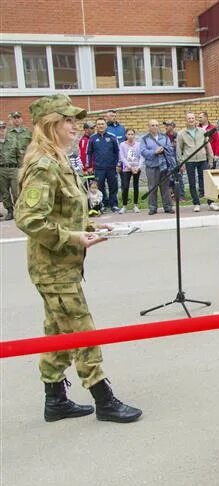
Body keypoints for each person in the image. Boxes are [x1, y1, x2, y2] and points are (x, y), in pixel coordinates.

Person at [15, 94, 141, 423]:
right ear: (50, 125)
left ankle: (55, 399)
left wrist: (92, 227)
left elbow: (63, 212)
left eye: (75, 121)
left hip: (63, 266)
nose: (75, 126)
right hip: (53, 269)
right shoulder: (43, 165)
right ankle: (104, 398)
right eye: (68, 121)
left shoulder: (58, 161)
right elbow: (29, 219)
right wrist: (73, 238)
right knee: (82, 330)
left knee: (59, 331)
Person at [176, 112, 214, 213]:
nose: (191, 120)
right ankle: (196, 203)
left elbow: (208, 145)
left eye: (192, 118)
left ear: (195, 119)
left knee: (206, 182)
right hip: (190, 161)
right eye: (189, 118)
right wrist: (181, 163)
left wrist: (210, 159)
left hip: (202, 159)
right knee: (192, 183)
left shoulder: (202, 131)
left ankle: (211, 203)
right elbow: (179, 149)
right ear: (186, 120)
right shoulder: (181, 133)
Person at [140, 119, 176, 215]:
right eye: (152, 125)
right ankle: (152, 208)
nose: (155, 127)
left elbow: (170, 148)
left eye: (156, 125)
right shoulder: (144, 139)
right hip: (152, 167)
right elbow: (143, 151)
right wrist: (154, 152)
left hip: (164, 166)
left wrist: (164, 149)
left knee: (165, 188)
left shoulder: (164, 137)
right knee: (152, 188)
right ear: (149, 127)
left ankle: (168, 207)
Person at [86, 117, 120, 212]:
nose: (100, 126)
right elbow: (88, 153)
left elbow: (118, 152)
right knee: (100, 187)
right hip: (98, 168)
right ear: (96, 126)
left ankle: (114, 205)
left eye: (102, 124)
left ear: (106, 125)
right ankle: (102, 205)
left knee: (113, 187)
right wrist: (89, 166)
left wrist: (118, 164)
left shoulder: (112, 137)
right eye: (98, 124)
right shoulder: (92, 138)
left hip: (112, 167)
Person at [118, 128, 143, 214]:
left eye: (132, 134)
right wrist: (129, 167)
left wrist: (138, 167)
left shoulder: (138, 144)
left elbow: (141, 156)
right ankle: (124, 206)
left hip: (136, 168)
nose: (130, 136)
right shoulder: (122, 145)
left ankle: (135, 205)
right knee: (125, 187)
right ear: (126, 135)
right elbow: (122, 157)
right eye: (129, 134)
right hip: (126, 169)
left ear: (134, 135)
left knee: (136, 186)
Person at [0, 121, 19, 221]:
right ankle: (10, 211)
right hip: (1, 170)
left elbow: (19, 155)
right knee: (5, 192)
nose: (1, 130)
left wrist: (21, 168)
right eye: (0, 128)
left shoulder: (13, 140)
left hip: (14, 169)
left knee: (16, 191)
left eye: (3, 128)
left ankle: (19, 211)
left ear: (6, 129)